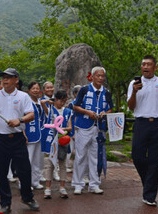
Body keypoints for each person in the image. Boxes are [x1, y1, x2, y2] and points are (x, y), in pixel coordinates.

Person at [0, 68, 39, 214]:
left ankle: (27, 198)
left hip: (18, 139)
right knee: (1, 172)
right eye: (3, 78)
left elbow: (31, 115)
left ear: (16, 80)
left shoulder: (24, 96)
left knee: (25, 171)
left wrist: (20, 120)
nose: (5, 80)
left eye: (8, 77)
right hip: (0, 139)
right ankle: (5, 203)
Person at [127, 55, 158, 206]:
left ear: (155, 67)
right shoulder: (134, 83)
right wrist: (134, 92)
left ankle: (149, 196)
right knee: (137, 157)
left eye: (149, 64)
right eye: (143, 64)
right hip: (141, 123)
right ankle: (148, 183)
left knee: (154, 160)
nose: (145, 67)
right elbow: (130, 106)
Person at [71, 66, 113, 195]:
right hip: (84, 126)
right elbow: (75, 107)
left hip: (99, 127)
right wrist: (87, 112)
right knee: (81, 155)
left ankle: (94, 184)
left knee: (96, 156)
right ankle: (78, 184)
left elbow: (110, 108)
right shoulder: (84, 90)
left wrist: (104, 113)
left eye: (102, 76)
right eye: (98, 75)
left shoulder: (106, 92)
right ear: (92, 76)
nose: (100, 78)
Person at [42, 90, 72, 199]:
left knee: (63, 164)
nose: (62, 103)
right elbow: (42, 103)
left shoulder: (68, 111)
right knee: (50, 164)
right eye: (60, 100)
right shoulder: (50, 110)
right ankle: (48, 188)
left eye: (64, 101)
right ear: (55, 99)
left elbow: (70, 127)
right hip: (51, 141)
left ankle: (62, 187)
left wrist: (62, 129)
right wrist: (49, 101)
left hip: (63, 140)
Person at [24, 81, 45, 190]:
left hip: (39, 134)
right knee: (28, 160)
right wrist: (23, 134)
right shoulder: (26, 102)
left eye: (37, 88)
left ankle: (35, 181)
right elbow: (21, 118)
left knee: (37, 159)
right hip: (29, 134)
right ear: (29, 90)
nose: (36, 90)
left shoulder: (40, 102)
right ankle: (24, 183)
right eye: (33, 88)